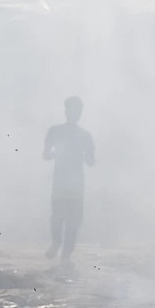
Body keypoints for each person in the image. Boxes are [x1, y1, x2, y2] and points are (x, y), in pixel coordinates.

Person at [43, 96, 94, 265]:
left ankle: (65, 255)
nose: (75, 114)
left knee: (74, 221)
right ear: (66, 112)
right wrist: (58, 153)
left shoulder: (85, 136)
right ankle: (56, 242)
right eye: (72, 110)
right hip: (61, 182)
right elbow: (45, 155)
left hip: (77, 185)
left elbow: (91, 161)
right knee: (57, 217)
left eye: (78, 111)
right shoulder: (56, 131)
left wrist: (86, 155)